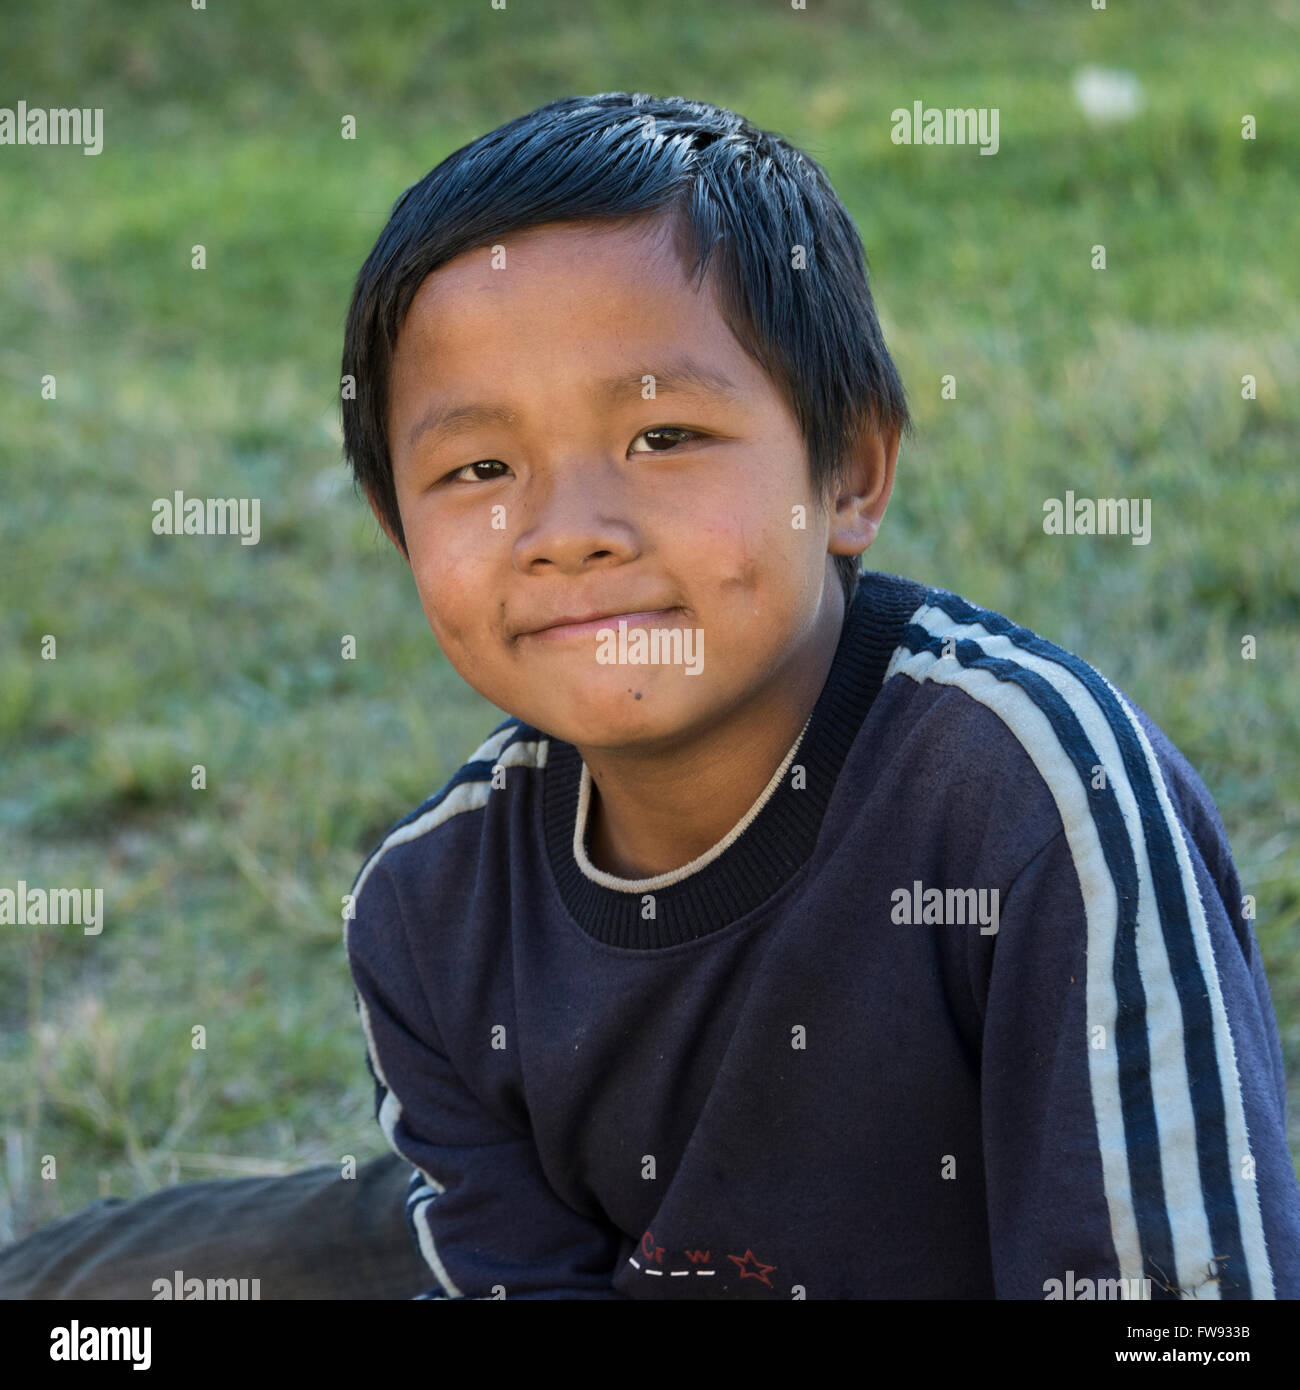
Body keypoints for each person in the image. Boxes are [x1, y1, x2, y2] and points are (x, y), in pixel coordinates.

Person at [5, 91, 1297, 1301]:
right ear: (398, 528)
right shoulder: (432, 908)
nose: (569, 530)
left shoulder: (1030, 795)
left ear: (848, 470)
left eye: (663, 436)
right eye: (480, 466)